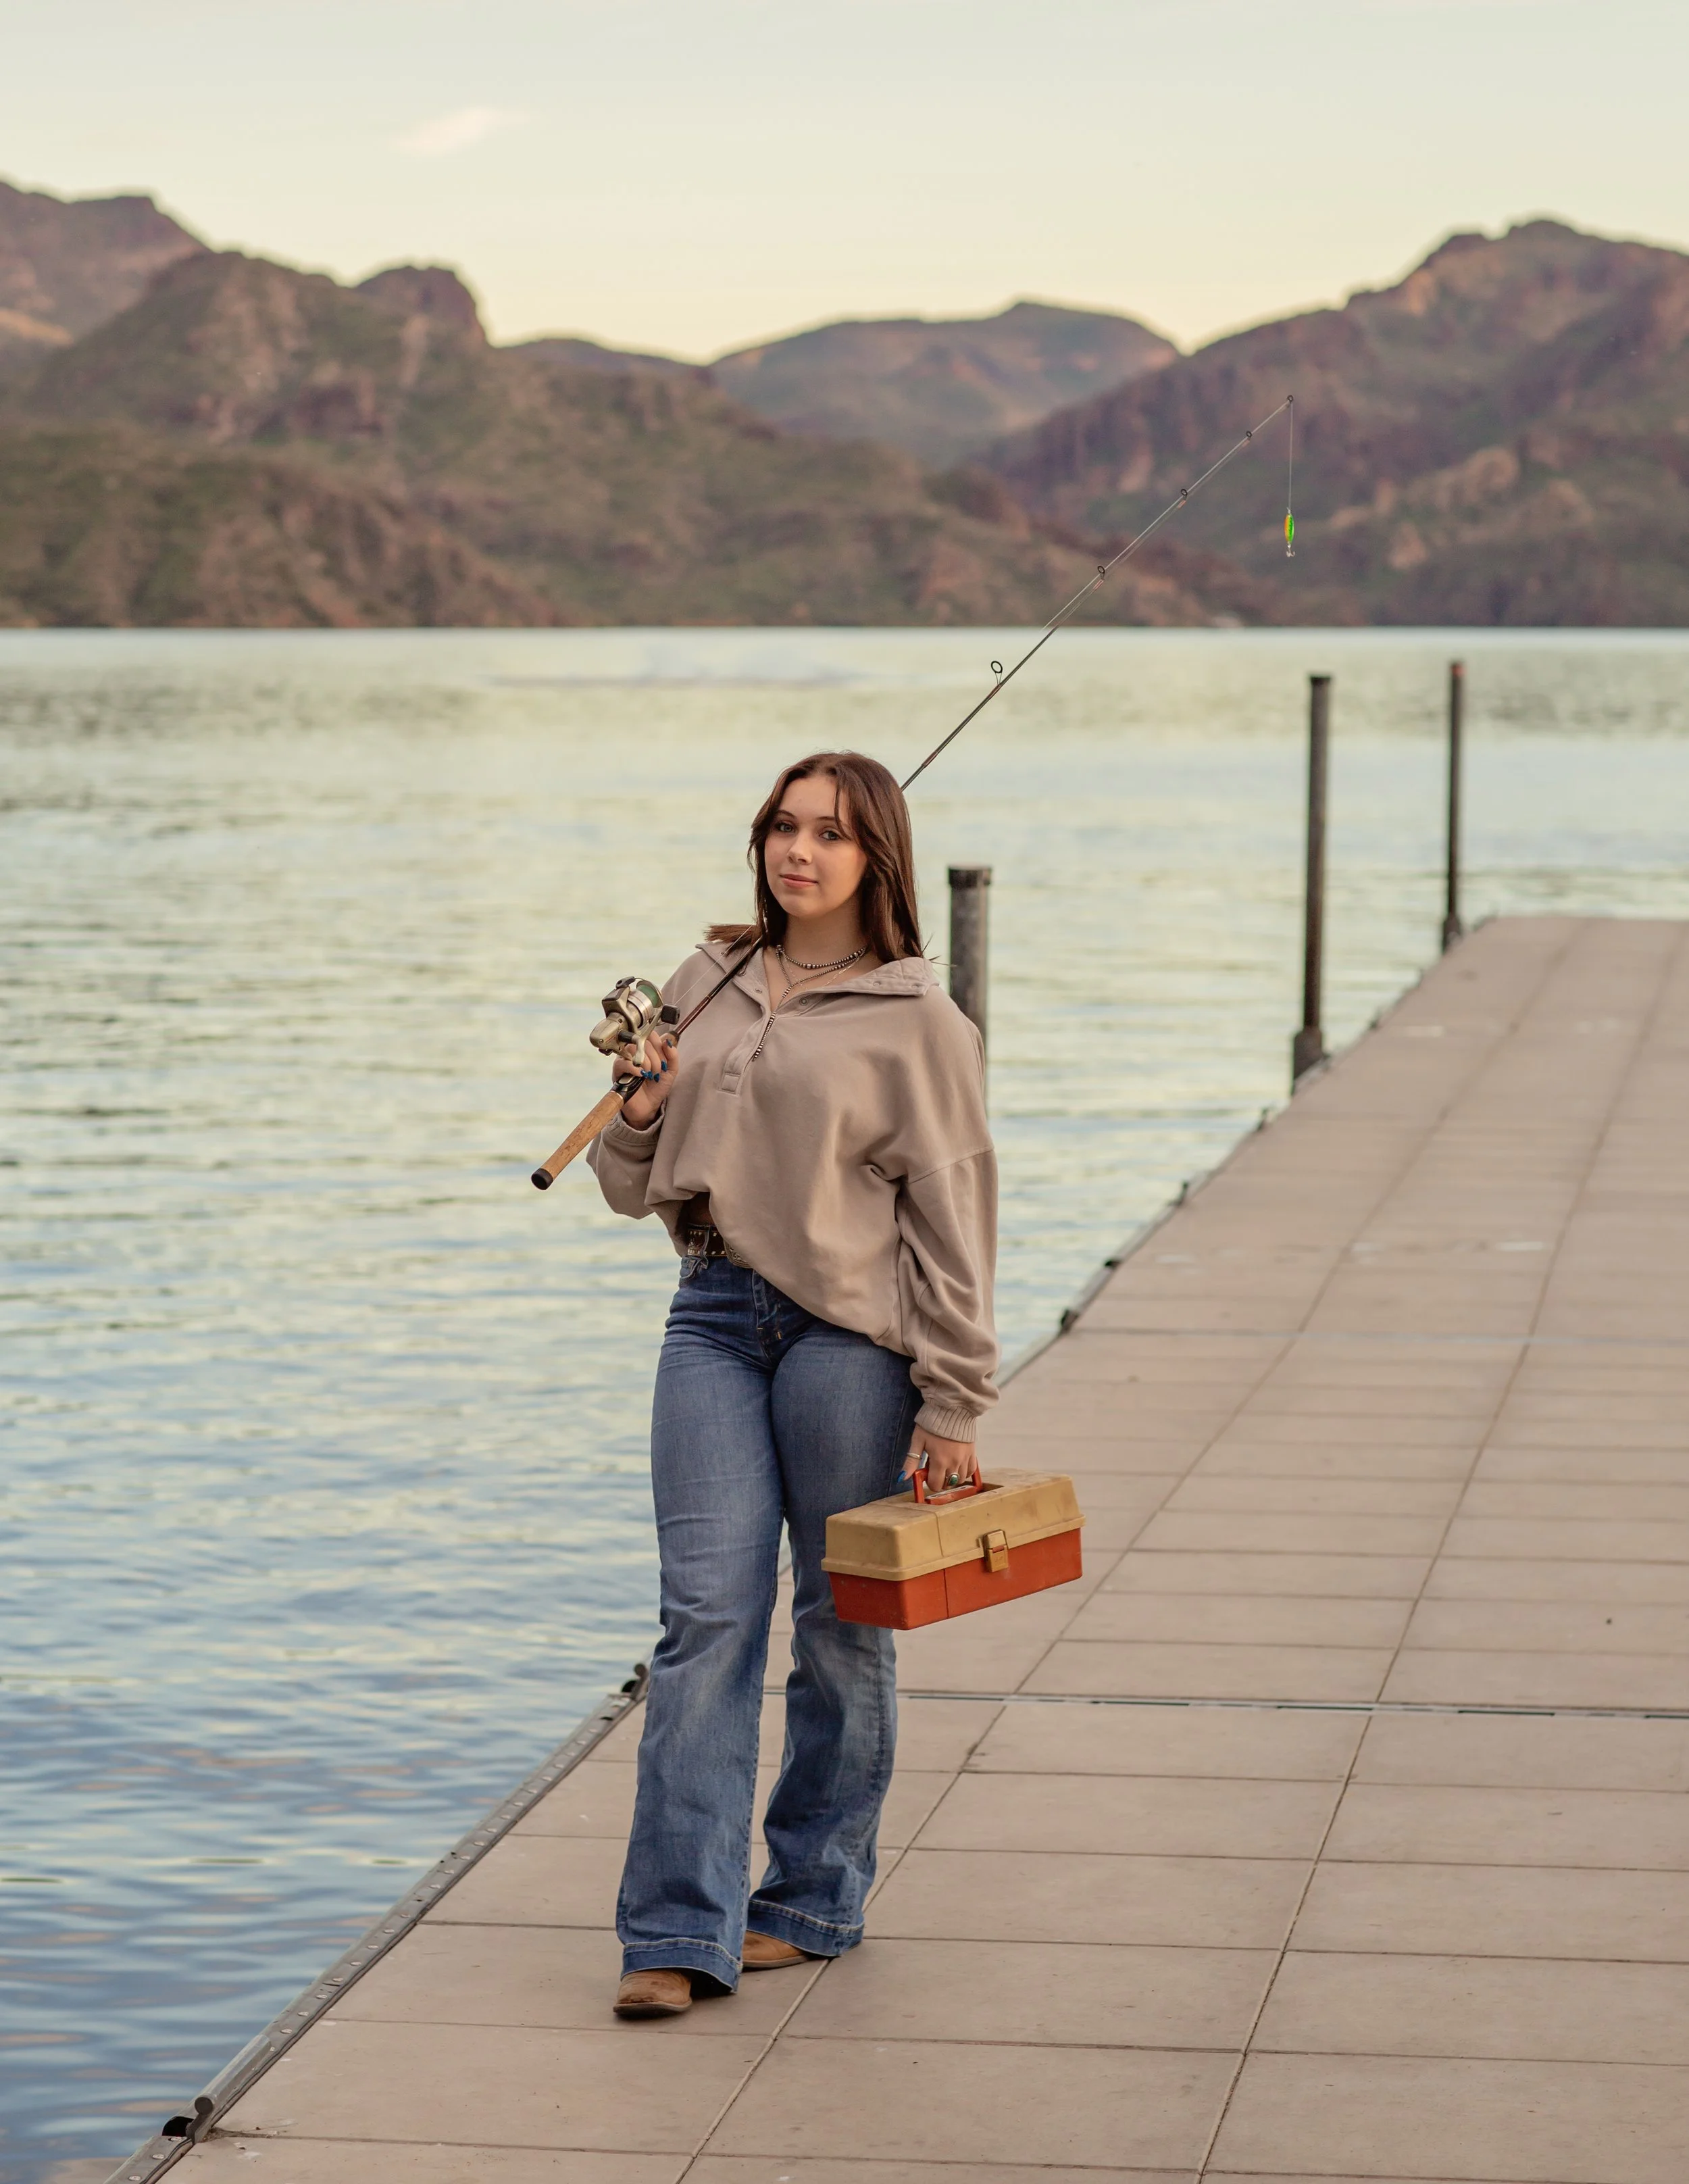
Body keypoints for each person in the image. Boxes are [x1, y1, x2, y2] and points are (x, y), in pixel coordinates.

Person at [588, 749, 998, 2019]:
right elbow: (623, 1180)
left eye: (827, 832)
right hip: (711, 1311)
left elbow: (954, 1219)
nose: (797, 850)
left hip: (849, 1339)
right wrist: (644, 1103)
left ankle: (814, 1894)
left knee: (840, 1621)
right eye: (781, 826)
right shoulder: (707, 979)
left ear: (879, 856)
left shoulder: (921, 1025)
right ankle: (675, 1931)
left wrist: (954, 1401)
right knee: (706, 1616)